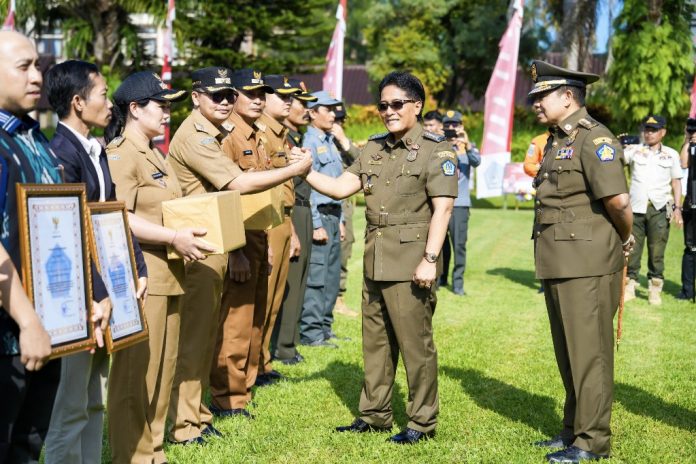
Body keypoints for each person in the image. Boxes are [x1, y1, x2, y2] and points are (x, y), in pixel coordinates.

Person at [305, 71, 457, 444]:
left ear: (416, 106)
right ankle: (375, 414)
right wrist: (302, 169)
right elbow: (342, 187)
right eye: (383, 105)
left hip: (411, 261)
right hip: (376, 258)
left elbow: (443, 210)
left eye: (397, 104)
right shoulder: (373, 148)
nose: (388, 111)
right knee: (375, 342)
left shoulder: (438, 150)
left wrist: (430, 258)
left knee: (414, 345)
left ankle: (421, 422)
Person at [168, 68, 311, 432]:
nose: (226, 101)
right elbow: (236, 184)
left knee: (230, 324)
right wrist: (294, 171)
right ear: (196, 96)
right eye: (218, 96)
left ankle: (201, 413)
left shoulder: (222, 132)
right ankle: (204, 411)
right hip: (208, 241)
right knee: (213, 331)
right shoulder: (201, 135)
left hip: (228, 237)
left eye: (229, 95)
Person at [528, 60, 633, 463]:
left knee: (590, 354)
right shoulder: (557, 139)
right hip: (560, 260)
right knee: (569, 352)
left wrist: (625, 237)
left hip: (587, 263)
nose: (535, 102)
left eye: (543, 95)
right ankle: (572, 430)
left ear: (568, 96)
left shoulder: (594, 139)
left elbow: (619, 201)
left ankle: (592, 442)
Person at [43, 59, 147, 464]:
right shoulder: (61, 155)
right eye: (103, 95)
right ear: (78, 102)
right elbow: (68, 234)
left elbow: (111, 212)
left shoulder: (94, 148)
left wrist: (137, 266)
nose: (110, 102)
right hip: (79, 298)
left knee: (94, 400)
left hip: (106, 291)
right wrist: (98, 294)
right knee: (69, 406)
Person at [105, 71, 212, 464]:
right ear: (135, 108)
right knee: (136, 374)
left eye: (169, 105)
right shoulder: (120, 153)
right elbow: (118, 216)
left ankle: (155, 450)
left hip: (170, 275)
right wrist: (172, 239)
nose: (168, 113)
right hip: (141, 275)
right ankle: (130, 454)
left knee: (164, 369)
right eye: (161, 105)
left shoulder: (154, 151)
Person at [210, 68, 312, 417]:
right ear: (233, 97)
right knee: (236, 320)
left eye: (260, 93)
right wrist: (237, 249)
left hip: (259, 230)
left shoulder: (252, 134)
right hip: (238, 235)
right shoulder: (229, 137)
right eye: (249, 93)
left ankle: (246, 384)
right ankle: (228, 396)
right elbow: (227, 197)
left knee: (254, 313)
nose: (256, 99)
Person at [0, 30, 63, 464]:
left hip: (48, 328)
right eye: (23, 67)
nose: (37, 76)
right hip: (11, 337)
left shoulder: (34, 139)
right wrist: (27, 322)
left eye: (37, 65)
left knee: (28, 446)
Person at [255, 74, 303, 386]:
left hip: (283, 218)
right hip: (267, 219)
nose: (288, 101)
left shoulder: (281, 133)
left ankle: (263, 362)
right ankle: (253, 365)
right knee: (261, 297)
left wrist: (293, 228)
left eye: (290, 97)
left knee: (274, 299)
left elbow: (286, 185)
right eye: (281, 96)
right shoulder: (260, 132)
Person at [271, 79, 317, 365]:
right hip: (287, 211)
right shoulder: (277, 138)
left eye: (297, 100)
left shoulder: (291, 138)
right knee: (285, 284)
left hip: (301, 208)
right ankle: (281, 347)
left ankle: (288, 341)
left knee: (298, 282)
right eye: (291, 99)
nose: (299, 106)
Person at [300, 90, 346, 347]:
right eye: (327, 109)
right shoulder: (308, 141)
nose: (333, 114)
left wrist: (340, 220)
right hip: (319, 216)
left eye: (333, 109)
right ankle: (311, 333)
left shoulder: (329, 140)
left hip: (333, 214)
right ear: (312, 112)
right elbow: (308, 188)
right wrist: (316, 224)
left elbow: (335, 184)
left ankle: (326, 328)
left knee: (330, 276)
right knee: (316, 278)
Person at [622, 115, 683, 305]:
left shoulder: (671, 154)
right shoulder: (634, 151)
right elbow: (616, 162)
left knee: (657, 250)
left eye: (653, 130)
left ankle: (654, 288)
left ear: (663, 132)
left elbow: (676, 182)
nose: (649, 133)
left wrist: (678, 208)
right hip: (636, 207)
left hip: (659, 208)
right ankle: (630, 285)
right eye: (647, 129)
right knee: (632, 248)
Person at [440, 110, 480, 295]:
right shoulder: (439, 146)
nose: (451, 128)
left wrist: (466, 144)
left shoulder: (467, 146)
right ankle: (440, 279)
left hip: (460, 205)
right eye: (447, 125)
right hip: (440, 204)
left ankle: (457, 284)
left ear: (461, 126)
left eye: (455, 125)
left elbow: (476, 161)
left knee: (458, 246)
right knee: (439, 245)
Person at [332, 102, 360, 318]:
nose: (337, 124)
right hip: (327, 204)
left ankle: (338, 298)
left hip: (345, 207)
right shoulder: (317, 141)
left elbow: (363, 161)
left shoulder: (344, 144)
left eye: (341, 121)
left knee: (344, 250)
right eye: (335, 120)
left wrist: (343, 140)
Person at [678, 128, 696, 300]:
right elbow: (683, 163)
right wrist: (689, 140)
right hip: (691, 203)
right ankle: (687, 291)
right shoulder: (691, 145)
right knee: (690, 247)